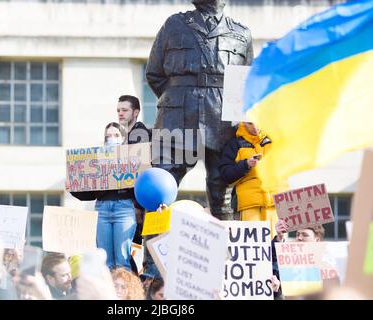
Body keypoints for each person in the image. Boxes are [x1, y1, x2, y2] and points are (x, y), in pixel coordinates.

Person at [146, 0, 253, 221]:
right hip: (177, 119)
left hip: (223, 121)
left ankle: (225, 253)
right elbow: (154, 73)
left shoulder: (242, 34)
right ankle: (151, 255)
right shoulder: (174, 25)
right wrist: (178, 98)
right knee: (160, 189)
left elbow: (244, 85)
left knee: (222, 192)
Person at [69, 122, 137, 271]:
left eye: (116, 135)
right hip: (102, 210)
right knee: (105, 263)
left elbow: (140, 189)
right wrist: (73, 186)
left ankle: (125, 293)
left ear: (123, 139)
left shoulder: (132, 159)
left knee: (122, 260)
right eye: (108, 136)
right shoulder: (97, 160)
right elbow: (89, 193)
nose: (112, 139)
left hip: (124, 208)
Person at [218, 122, 284, 239]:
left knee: (276, 245)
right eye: (250, 124)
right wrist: (246, 164)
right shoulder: (235, 144)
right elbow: (225, 174)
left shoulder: (275, 139)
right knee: (252, 249)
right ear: (242, 122)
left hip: (275, 204)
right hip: (249, 205)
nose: (255, 127)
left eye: (257, 122)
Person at [116, 95, 152, 272]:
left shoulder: (139, 134)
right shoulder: (126, 135)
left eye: (125, 110)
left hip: (134, 204)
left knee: (128, 252)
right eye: (118, 110)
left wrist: (138, 205)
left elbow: (140, 170)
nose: (120, 113)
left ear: (136, 112)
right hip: (128, 202)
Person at [271, 220, 326, 299]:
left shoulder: (327, 265)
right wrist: (278, 290)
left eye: (305, 235)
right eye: (297, 234)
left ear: (317, 240)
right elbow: (271, 261)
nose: (299, 238)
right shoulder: (287, 262)